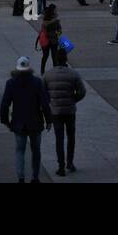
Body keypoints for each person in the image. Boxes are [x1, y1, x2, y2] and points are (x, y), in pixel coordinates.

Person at [0, 56, 53, 183]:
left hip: (18, 123)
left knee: (20, 151)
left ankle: (21, 177)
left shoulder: (11, 83)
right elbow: (44, 103)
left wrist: (5, 120)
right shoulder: (37, 82)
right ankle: (35, 177)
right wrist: (49, 120)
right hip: (35, 122)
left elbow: (4, 104)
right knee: (36, 151)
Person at [43, 47, 86, 176]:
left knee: (59, 139)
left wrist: (51, 102)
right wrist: (73, 100)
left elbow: (43, 93)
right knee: (71, 137)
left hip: (56, 111)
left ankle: (60, 166)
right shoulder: (73, 74)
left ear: (55, 59)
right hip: (70, 110)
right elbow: (82, 92)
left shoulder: (48, 75)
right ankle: (70, 162)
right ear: (66, 59)